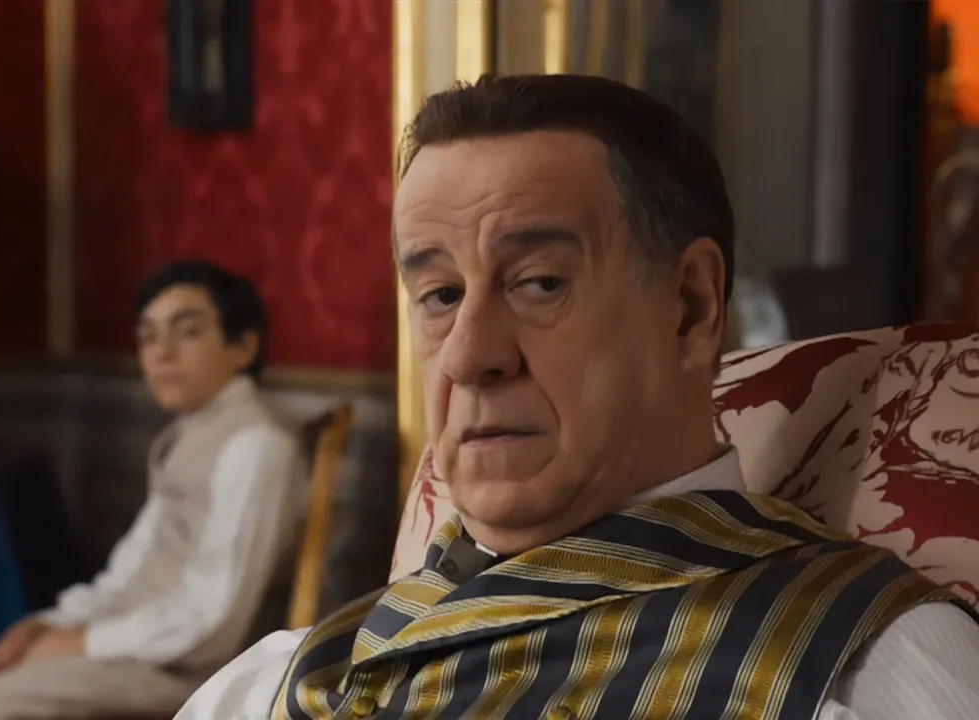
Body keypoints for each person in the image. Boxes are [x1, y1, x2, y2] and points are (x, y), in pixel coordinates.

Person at [176, 74, 979, 719]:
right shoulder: (281, 680)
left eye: (538, 284)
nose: (469, 356)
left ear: (690, 308)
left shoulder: (850, 667)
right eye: (441, 295)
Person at [0, 261, 305, 719]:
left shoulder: (257, 446)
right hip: (124, 643)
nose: (162, 353)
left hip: (184, 668)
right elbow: (130, 572)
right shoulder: (185, 436)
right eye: (148, 337)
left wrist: (84, 643)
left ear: (243, 346)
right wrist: (47, 625)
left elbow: (213, 623)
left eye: (188, 332)